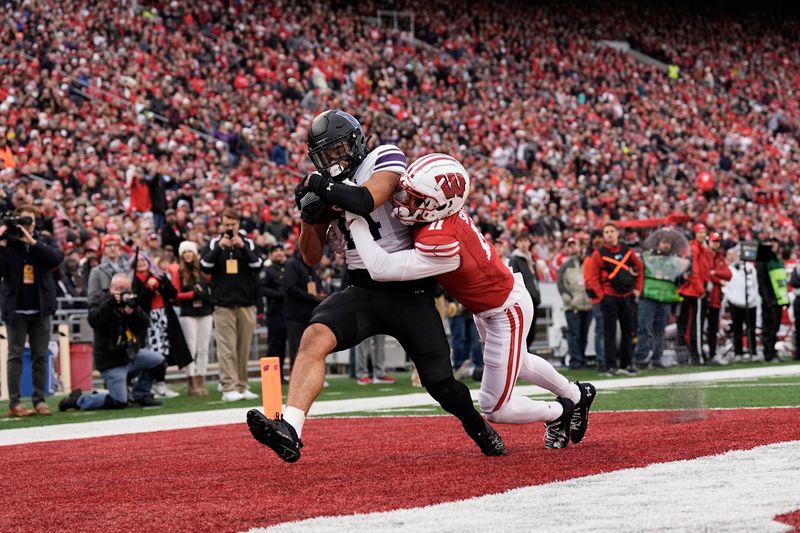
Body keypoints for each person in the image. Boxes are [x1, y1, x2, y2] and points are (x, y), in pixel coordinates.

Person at [247, 112, 506, 462]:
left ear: (355, 143)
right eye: (325, 156)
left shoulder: (384, 156)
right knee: (313, 339)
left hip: (408, 289)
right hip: (361, 289)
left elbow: (367, 199)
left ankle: (478, 427)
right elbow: (310, 256)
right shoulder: (324, 184)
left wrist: (319, 186)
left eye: (338, 150)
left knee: (440, 384)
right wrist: (309, 218)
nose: (333, 161)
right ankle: (290, 428)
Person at [347, 153, 595, 449]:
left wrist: (353, 216)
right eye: (406, 194)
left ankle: (559, 412)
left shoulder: (441, 240)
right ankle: (578, 395)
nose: (403, 202)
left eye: (415, 199)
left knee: (495, 407)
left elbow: (381, 268)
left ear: (439, 205)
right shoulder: (440, 214)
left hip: (505, 310)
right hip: (491, 306)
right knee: (522, 363)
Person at [58, 273, 164, 411]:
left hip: (131, 355)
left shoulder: (130, 301)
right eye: (120, 288)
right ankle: (79, 400)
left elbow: (145, 324)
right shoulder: (100, 299)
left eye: (127, 288)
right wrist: (111, 303)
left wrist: (133, 312)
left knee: (159, 361)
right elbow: (94, 320)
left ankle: (141, 394)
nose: (124, 291)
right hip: (111, 361)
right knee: (119, 401)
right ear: (112, 288)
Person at [0, 205, 64, 417]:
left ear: (35, 222)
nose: (27, 225)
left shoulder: (43, 241)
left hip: (40, 308)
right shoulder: (9, 243)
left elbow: (56, 259)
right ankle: (15, 403)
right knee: (15, 355)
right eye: (24, 221)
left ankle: (39, 400)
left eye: (31, 221)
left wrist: (33, 243)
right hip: (16, 309)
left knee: (40, 355)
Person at [201, 207, 263, 401]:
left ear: (238, 224)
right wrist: (220, 247)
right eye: (226, 224)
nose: (229, 228)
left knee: (243, 349)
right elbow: (204, 266)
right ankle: (228, 387)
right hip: (223, 305)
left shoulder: (248, 243)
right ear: (221, 224)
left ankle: (242, 385)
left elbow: (258, 265)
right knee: (227, 348)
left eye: (232, 224)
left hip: (246, 304)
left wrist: (242, 247)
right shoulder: (213, 243)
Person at [585, 222, 645, 375]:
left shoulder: (627, 250)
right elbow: (593, 277)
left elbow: (640, 268)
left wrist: (638, 289)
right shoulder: (599, 253)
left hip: (626, 296)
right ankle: (610, 365)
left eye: (612, 231)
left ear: (617, 233)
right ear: (604, 235)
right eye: (606, 232)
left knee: (628, 331)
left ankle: (627, 364)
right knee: (609, 332)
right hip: (609, 296)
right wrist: (602, 295)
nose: (609, 234)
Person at [131, 251, 186, 399]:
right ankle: (146, 385)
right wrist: (149, 288)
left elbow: (173, 293)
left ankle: (160, 384)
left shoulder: (159, 276)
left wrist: (158, 285)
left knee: (164, 352)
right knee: (151, 353)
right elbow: (140, 302)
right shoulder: (133, 281)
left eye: (144, 260)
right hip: (146, 322)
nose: (141, 262)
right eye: (138, 261)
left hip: (164, 318)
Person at [171, 240, 213, 395]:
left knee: (203, 348)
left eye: (190, 252)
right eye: (185, 252)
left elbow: (210, 287)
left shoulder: (203, 271)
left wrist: (206, 295)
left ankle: (201, 379)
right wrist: (191, 294)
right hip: (188, 313)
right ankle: (191, 381)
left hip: (205, 312)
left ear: (195, 254)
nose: (188, 254)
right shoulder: (179, 273)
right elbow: (175, 294)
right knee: (191, 348)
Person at [634, 236, 681, 370]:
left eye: (668, 243)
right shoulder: (648, 256)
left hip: (665, 298)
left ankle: (657, 358)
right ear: (658, 244)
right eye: (664, 242)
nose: (666, 245)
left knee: (660, 330)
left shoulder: (673, 260)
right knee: (645, 328)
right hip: (648, 296)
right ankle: (641, 358)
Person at [282, 248, 325, 379]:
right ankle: (297, 378)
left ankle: (311, 376)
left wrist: (321, 294)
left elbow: (317, 284)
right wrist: (312, 297)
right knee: (297, 349)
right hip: (295, 315)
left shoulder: (312, 265)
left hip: (311, 314)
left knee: (312, 347)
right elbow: (290, 288)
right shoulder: (291, 264)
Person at [677, 224, 712, 365]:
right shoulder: (694, 249)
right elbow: (693, 272)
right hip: (695, 292)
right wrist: (701, 290)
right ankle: (697, 356)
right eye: (700, 232)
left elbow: (702, 271)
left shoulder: (701, 249)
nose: (702, 235)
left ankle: (695, 354)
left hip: (695, 290)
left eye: (704, 232)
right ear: (695, 234)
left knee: (693, 324)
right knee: (696, 325)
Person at [557, 237, 593, 369]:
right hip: (572, 306)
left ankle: (582, 359)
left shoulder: (587, 262)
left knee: (583, 335)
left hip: (587, 305)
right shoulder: (565, 265)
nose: (573, 248)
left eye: (574, 245)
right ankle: (575, 360)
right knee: (574, 334)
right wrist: (569, 300)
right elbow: (561, 284)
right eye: (570, 246)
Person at [723, 245, 759, 361]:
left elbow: (755, 284)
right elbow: (726, 286)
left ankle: (752, 351)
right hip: (736, 303)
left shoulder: (749, 267)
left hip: (750, 303)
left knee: (751, 328)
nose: (733, 256)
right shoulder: (728, 269)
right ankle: (738, 352)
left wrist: (753, 298)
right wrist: (732, 298)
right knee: (737, 328)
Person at [260, 244, 289, 382]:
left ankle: (280, 376)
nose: (279, 253)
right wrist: (280, 295)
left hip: (287, 312)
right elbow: (263, 289)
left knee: (283, 346)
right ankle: (270, 376)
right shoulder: (267, 270)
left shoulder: (288, 267)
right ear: (271, 254)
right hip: (274, 313)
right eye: (275, 251)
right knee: (274, 346)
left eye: (280, 250)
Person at [757, 237, 788, 362]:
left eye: (776, 243)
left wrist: (785, 299)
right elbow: (762, 282)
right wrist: (767, 299)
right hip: (769, 300)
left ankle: (772, 351)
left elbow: (781, 282)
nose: (774, 245)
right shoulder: (764, 260)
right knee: (768, 328)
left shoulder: (778, 260)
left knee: (775, 328)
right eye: (771, 243)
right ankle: (768, 354)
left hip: (779, 299)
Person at [509, 232, 541, 350]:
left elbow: (535, 279)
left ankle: (526, 353)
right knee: (525, 330)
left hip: (534, 299)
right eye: (521, 241)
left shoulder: (530, 259)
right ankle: (523, 354)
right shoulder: (514, 260)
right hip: (523, 300)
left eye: (526, 240)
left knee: (532, 330)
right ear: (516, 243)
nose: (523, 244)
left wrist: (537, 295)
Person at [706, 232, 732, 365]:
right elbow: (704, 273)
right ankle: (698, 354)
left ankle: (711, 354)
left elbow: (728, 275)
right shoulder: (705, 255)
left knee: (712, 328)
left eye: (717, 241)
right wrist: (718, 280)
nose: (716, 244)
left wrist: (715, 273)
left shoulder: (720, 257)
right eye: (713, 241)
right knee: (697, 327)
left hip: (715, 298)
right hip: (704, 296)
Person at [583, 230, 606, 372]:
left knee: (607, 331)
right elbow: (589, 282)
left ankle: (608, 360)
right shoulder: (589, 259)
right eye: (595, 237)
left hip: (610, 299)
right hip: (600, 300)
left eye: (600, 237)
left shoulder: (606, 256)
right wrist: (602, 295)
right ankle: (601, 361)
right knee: (601, 331)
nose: (597, 240)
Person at [86, 234, 127, 302]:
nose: (112, 248)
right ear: (103, 250)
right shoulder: (97, 271)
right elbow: (92, 297)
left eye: (115, 245)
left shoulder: (127, 268)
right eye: (109, 245)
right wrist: (109, 294)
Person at [790, 258, 800, 361]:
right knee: (798, 327)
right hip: (798, 300)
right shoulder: (796, 269)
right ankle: (798, 352)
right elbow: (794, 282)